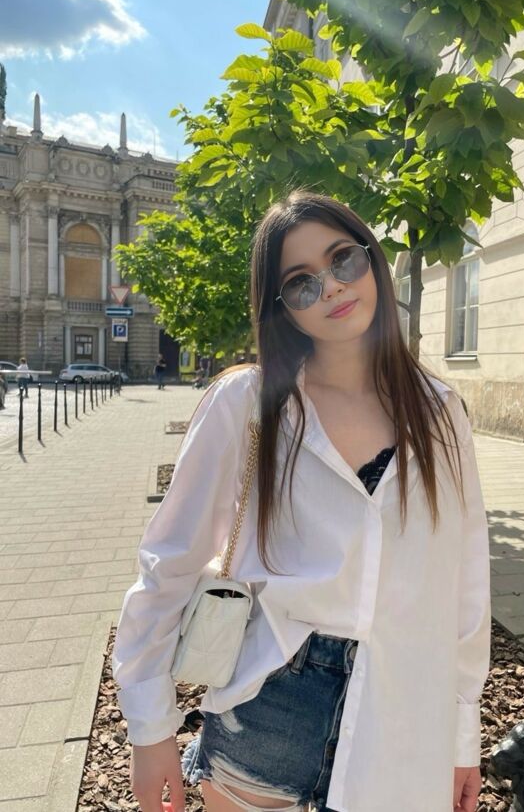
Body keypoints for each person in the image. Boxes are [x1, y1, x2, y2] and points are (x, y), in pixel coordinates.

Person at [112, 189, 491, 812]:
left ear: (372, 259)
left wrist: (462, 734)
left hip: (402, 715)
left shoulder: (439, 413)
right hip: (270, 711)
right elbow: (169, 563)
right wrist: (150, 729)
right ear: (281, 308)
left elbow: (465, 583)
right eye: (301, 283)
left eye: (344, 259)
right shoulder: (248, 403)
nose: (332, 287)